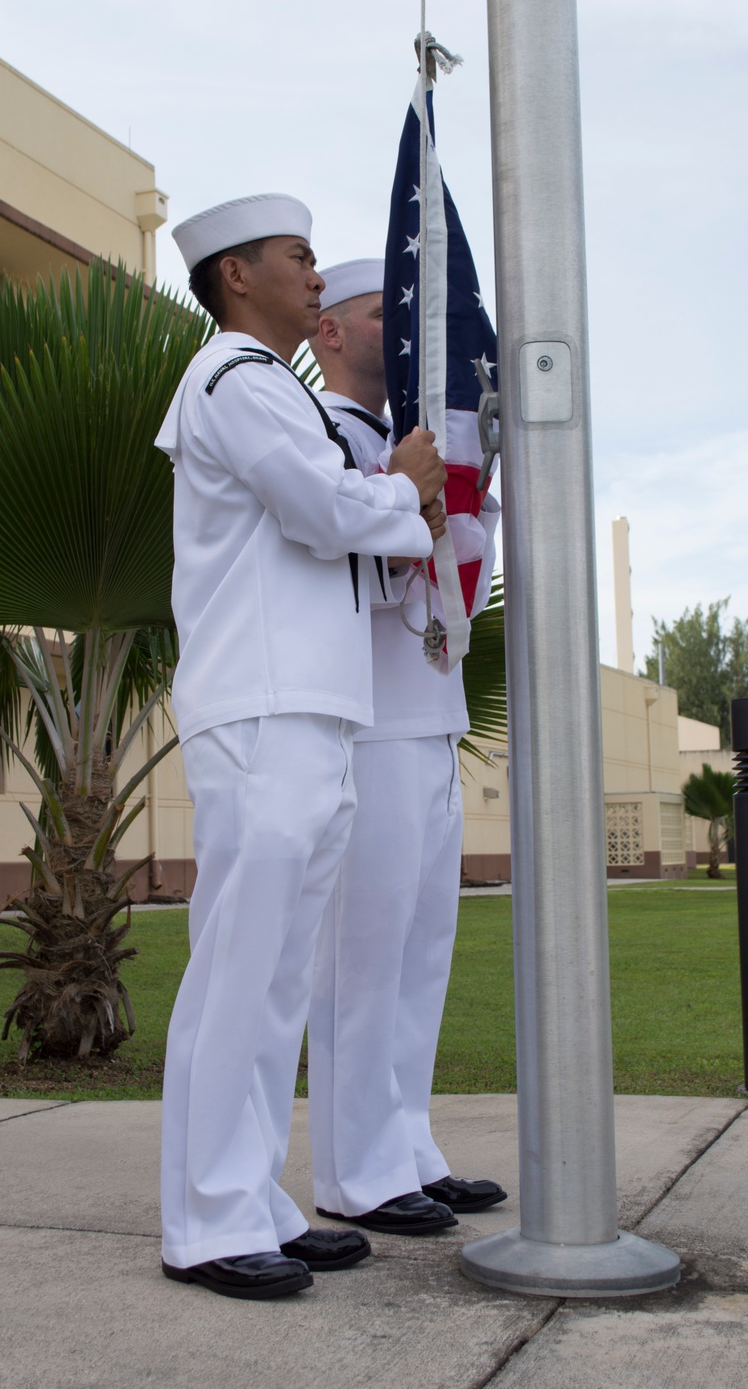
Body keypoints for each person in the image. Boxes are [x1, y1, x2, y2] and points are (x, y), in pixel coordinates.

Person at [154, 198, 448, 1301]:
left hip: (312, 704)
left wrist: (397, 506)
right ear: (236, 276)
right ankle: (206, 1221)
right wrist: (404, 488)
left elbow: (346, 537)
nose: (315, 277)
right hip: (262, 701)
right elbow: (326, 511)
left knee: (277, 975)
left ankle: (255, 1198)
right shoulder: (233, 380)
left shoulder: (274, 390)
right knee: (242, 968)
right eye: (297, 258)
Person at [306, 259, 507, 1236]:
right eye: (381, 315)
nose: (405, 331)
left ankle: (406, 1144)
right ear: (328, 334)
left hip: (425, 713)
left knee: (420, 949)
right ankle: (355, 1170)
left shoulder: (398, 442)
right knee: (363, 955)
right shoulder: (321, 435)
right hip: (365, 719)